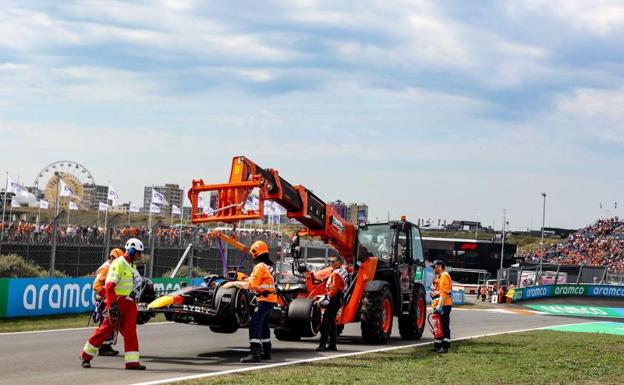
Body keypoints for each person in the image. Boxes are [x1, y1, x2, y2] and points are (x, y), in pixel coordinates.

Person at [80, 238, 146, 370]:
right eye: (139, 253)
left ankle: (132, 362)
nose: (140, 256)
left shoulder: (132, 266)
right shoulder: (118, 264)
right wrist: (113, 305)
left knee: (131, 332)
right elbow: (110, 286)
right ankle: (85, 356)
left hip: (129, 304)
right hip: (117, 302)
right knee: (104, 330)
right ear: (132, 251)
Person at [223, 240, 277, 363]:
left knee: (254, 325)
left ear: (255, 253)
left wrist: (234, 283)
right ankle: (266, 352)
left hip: (265, 300)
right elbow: (256, 281)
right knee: (263, 326)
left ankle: (255, 354)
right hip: (269, 299)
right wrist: (245, 278)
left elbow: (252, 284)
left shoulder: (259, 267)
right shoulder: (267, 266)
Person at [92, 247, 125, 357]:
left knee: (110, 323)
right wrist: (107, 297)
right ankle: (103, 347)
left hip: (108, 299)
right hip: (103, 301)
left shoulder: (112, 266)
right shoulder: (106, 268)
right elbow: (96, 285)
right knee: (107, 323)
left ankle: (106, 346)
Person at [316, 255, 349, 352]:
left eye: (333, 261)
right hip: (338, 298)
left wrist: (326, 297)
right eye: (330, 261)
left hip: (334, 299)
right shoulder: (343, 271)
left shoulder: (336, 274)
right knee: (332, 322)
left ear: (339, 262)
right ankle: (333, 345)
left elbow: (334, 289)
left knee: (325, 322)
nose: (331, 263)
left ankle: (322, 345)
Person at [431, 259, 452, 353]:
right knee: (437, 326)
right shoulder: (438, 276)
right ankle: (437, 346)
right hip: (437, 304)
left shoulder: (444, 276)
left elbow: (444, 292)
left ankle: (445, 346)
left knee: (444, 326)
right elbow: (436, 290)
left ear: (439, 266)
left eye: (434, 267)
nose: (433, 269)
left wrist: (440, 306)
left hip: (444, 305)